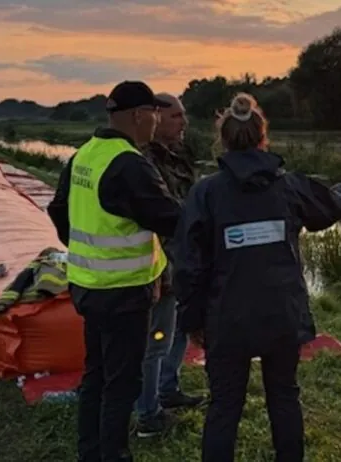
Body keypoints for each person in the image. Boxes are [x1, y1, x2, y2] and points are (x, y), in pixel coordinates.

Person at [173, 93, 341, 462]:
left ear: (223, 139)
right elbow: (328, 207)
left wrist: (191, 320)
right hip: (281, 315)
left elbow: (188, 266)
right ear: (262, 137)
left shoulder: (206, 193)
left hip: (225, 317)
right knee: (284, 396)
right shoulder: (288, 187)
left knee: (224, 406)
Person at [48, 80, 182, 462]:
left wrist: (85, 252)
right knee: (122, 383)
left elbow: (59, 210)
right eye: (155, 113)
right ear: (139, 116)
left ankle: (89, 453)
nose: (157, 121)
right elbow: (171, 218)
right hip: (123, 292)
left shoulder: (84, 155)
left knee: (96, 375)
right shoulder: (129, 164)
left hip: (87, 286)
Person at [134, 93, 206, 438]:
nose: (184, 123)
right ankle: (148, 413)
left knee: (177, 330)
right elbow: (156, 218)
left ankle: (168, 388)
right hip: (161, 264)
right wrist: (161, 270)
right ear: (156, 117)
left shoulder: (178, 156)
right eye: (176, 116)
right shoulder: (144, 161)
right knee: (156, 341)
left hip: (183, 264)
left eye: (184, 116)